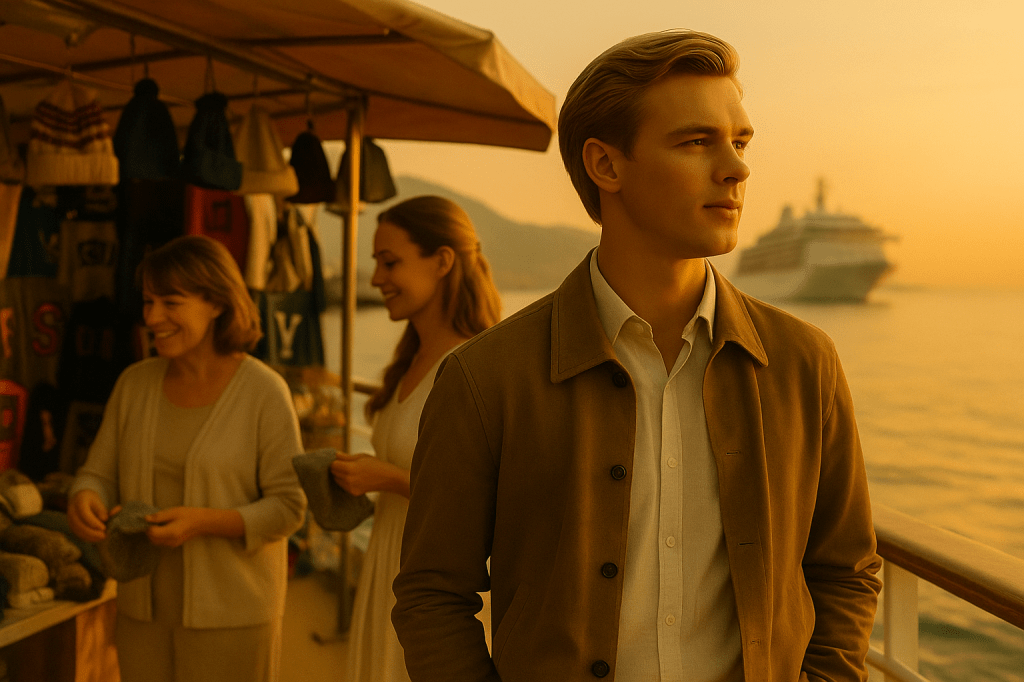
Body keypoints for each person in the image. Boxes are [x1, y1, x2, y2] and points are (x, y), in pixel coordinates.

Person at [392, 30, 883, 682]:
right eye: (696, 141)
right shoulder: (486, 378)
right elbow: (431, 595)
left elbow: (847, 572)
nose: (736, 169)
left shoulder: (803, 364)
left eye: (740, 142)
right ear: (606, 165)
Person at [67, 235, 307, 682]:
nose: (152, 318)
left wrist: (202, 523)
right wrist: (85, 497)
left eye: (171, 303)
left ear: (216, 303)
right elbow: (96, 474)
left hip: (235, 615)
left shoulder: (264, 392)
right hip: (141, 612)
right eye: (148, 302)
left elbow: (290, 506)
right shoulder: (133, 383)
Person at [330, 195, 501, 682]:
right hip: (387, 566)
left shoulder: (479, 368)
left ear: (442, 261)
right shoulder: (409, 361)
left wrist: (387, 477)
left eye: (390, 262)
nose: (376, 279)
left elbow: (497, 498)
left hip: (438, 585)